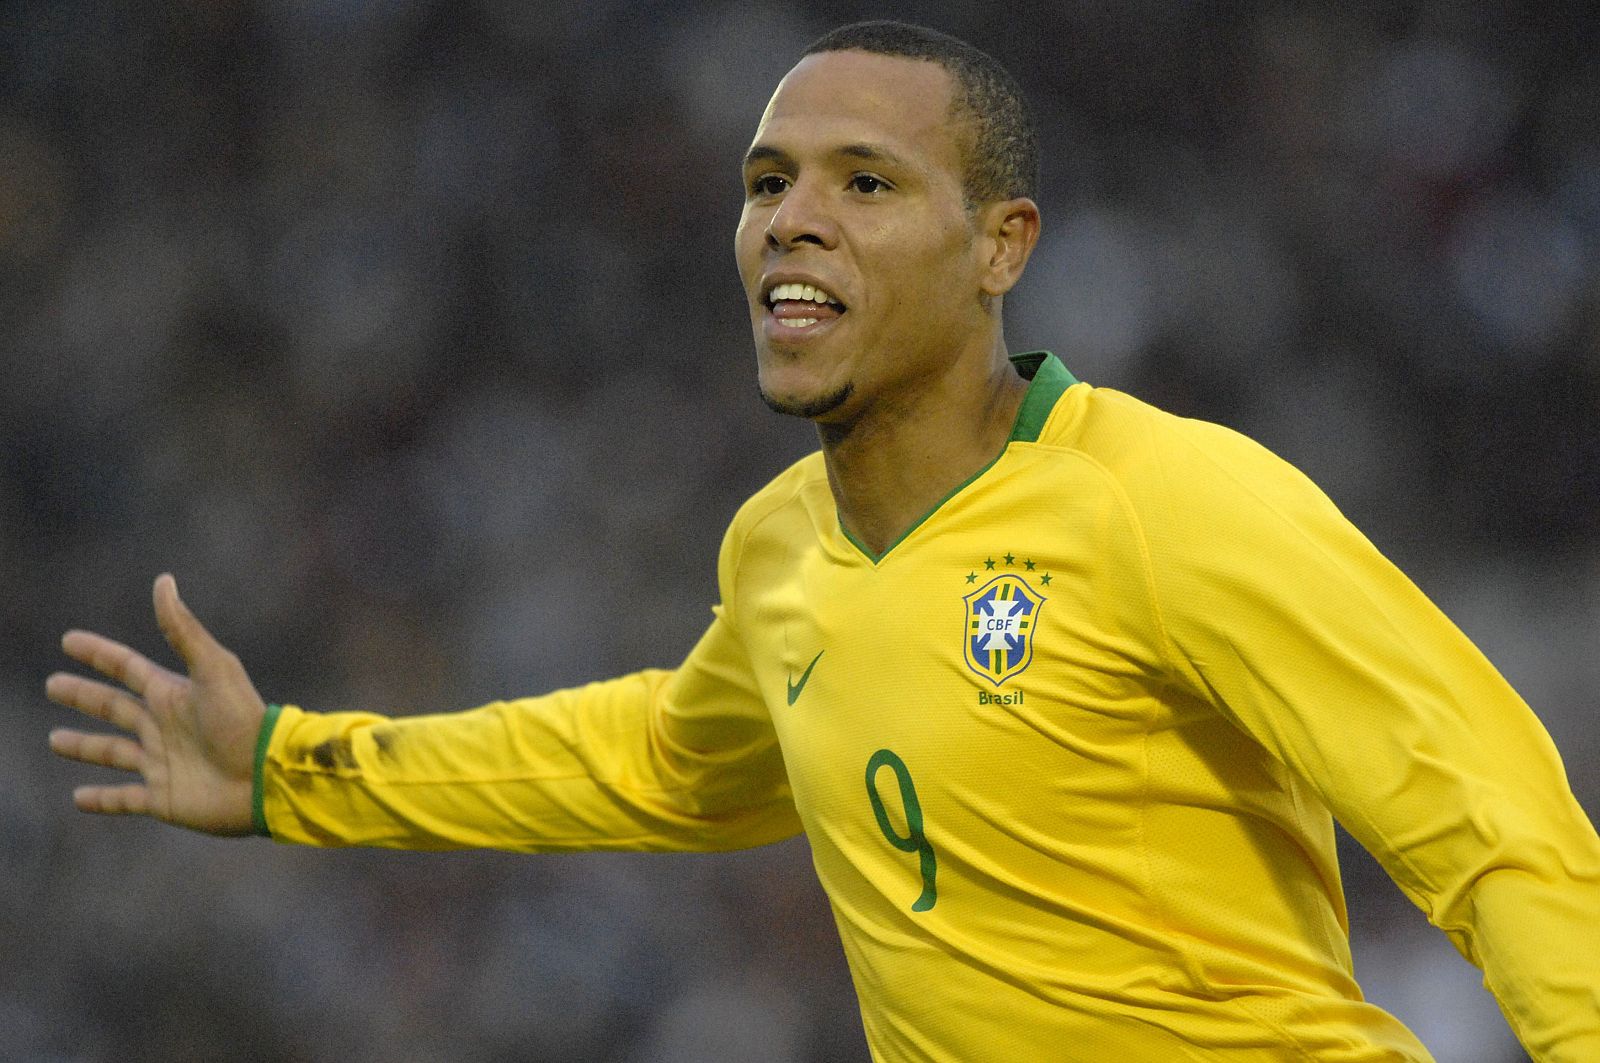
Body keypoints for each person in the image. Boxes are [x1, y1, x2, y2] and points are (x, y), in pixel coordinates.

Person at [46, 20, 1599, 1063]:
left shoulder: (1172, 502)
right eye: (769, 183)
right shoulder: (782, 551)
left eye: (867, 184)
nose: (795, 218)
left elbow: (1487, 815)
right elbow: (665, 761)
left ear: (1002, 245)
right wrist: (290, 772)